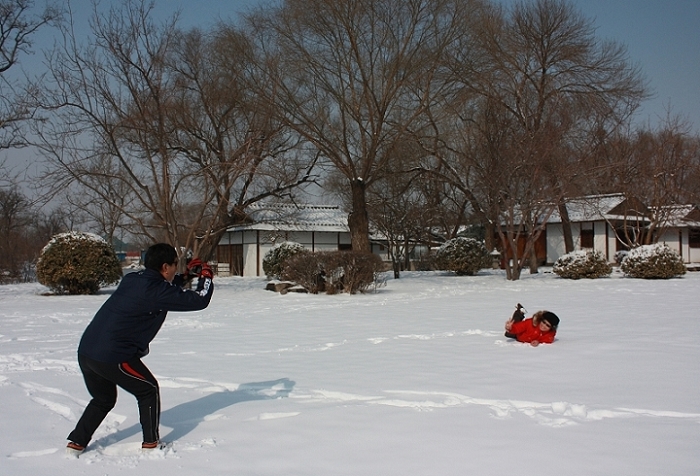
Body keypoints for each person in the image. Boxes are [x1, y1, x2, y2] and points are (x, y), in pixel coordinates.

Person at [66, 243, 214, 456]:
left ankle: (76, 443)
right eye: (174, 265)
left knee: (103, 399)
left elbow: (166, 289)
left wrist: (187, 275)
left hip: (88, 352)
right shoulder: (156, 291)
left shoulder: (133, 279)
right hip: (114, 356)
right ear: (165, 267)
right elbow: (200, 300)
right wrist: (206, 277)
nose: (175, 269)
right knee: (148, 390)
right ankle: (151, 444)